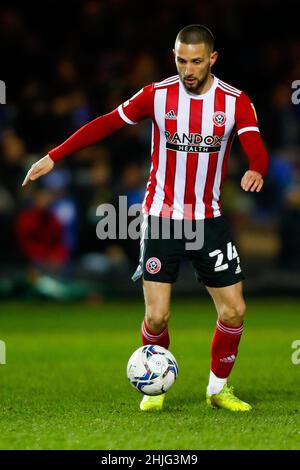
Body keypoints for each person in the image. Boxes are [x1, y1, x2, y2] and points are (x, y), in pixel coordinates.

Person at [22, 24, 269, 412]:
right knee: (156, 317)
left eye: (197, 61)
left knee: (234, 309)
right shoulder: (157, 95)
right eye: (181, 60)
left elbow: (257, 147)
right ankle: (154, 387)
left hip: (209, 219)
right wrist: (55, 155)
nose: (188, 69)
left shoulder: (235, 101)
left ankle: (218, 389)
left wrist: (257, 168)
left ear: (212, 59)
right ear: (175, 57)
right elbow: (106, 123)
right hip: (161, 217)